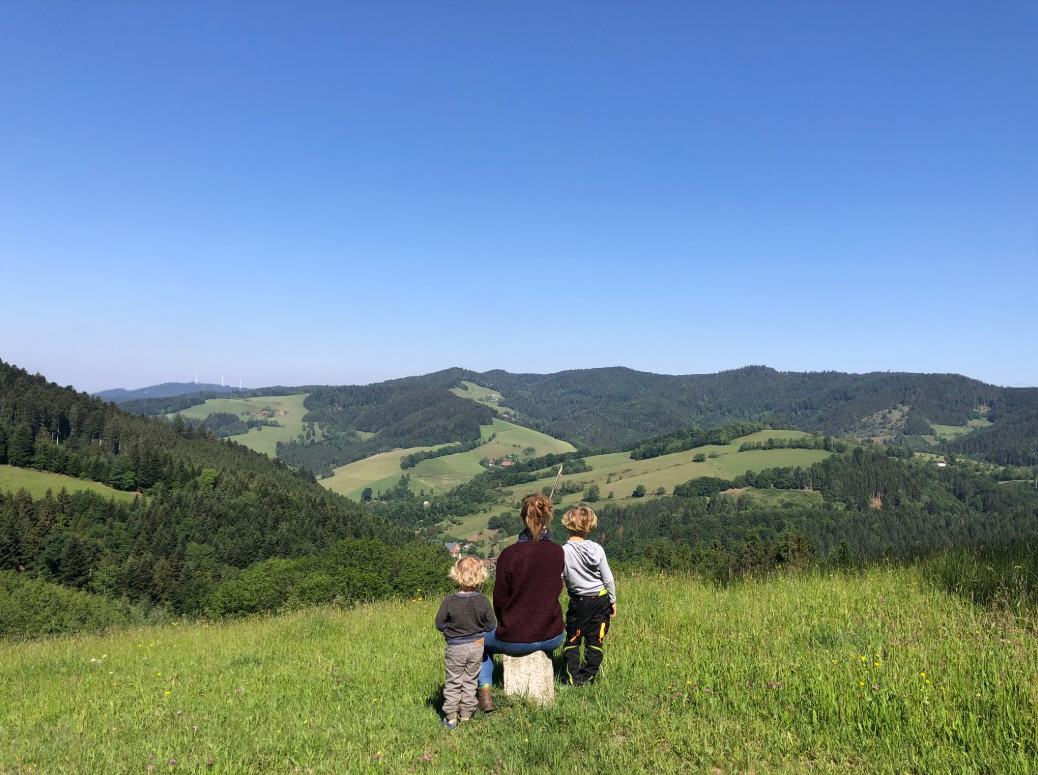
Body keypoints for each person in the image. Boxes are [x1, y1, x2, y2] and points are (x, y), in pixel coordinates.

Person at [477, 493, 565, 712]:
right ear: (547, 518)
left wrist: (505, 623)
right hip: (554, 636)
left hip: (516, 638)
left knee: (477, 643)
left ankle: (485, 689)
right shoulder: (557, 551)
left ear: (523, 518)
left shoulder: (509, 555)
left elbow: (499, 601)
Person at [435, 556, 495, 729]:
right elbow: (491, 625)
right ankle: (467, 714)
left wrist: (450, 632)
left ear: (456, 575)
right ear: (481, 575)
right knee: (470, 680)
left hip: (455, 647)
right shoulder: (482, 600)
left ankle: (451, 717)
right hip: (476, 646)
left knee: (454, 681)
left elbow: (439, 624)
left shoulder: (450, 601)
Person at [560, 504, 616, 685]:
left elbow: (560, 577)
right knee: (596, 639)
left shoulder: (563, 551)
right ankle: (588, 675)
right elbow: (608, 578)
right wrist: (613, 600)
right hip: (601, 600)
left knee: (573, 639)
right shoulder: (597, 548)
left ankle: (573, 678)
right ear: (590, 525)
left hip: (579, 602)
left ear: (568, 523)